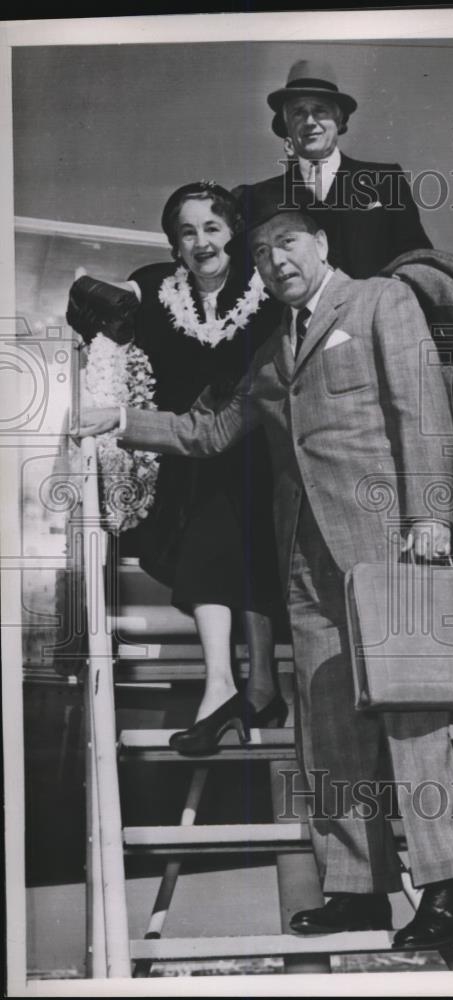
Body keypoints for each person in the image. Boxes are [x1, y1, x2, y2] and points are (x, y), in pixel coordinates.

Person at [78, 181, 453, 951]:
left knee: (409, 719)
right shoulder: (273, 347)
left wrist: (428, 516)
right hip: (305, 561)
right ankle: (356, 888)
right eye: (262, 253)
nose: (274, 261)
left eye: (287, 244)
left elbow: (420, 412)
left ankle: (448, 887)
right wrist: (119, 420)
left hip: (388, 547)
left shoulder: (378, 304)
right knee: (327, 729)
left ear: (320, 246)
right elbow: (209, 430)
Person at [68, 181, 285, 753]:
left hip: (263, 457)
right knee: (214, 490)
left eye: (212, 228)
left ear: (232, 233)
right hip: (183, 464)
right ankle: (241, 686)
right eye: (187, 232)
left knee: (240, 490)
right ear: (173, 244)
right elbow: (100, 312)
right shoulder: (150, 286)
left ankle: (243, 685)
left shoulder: (266, 288)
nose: (201, 242)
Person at [253, 58, 432, 278]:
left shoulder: (386, 181)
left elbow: (418, 261)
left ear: (339, 120)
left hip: (374, 309)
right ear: (286, 124)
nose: (309, 121)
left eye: (320, 111)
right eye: (298, 112)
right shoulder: (261, 196)